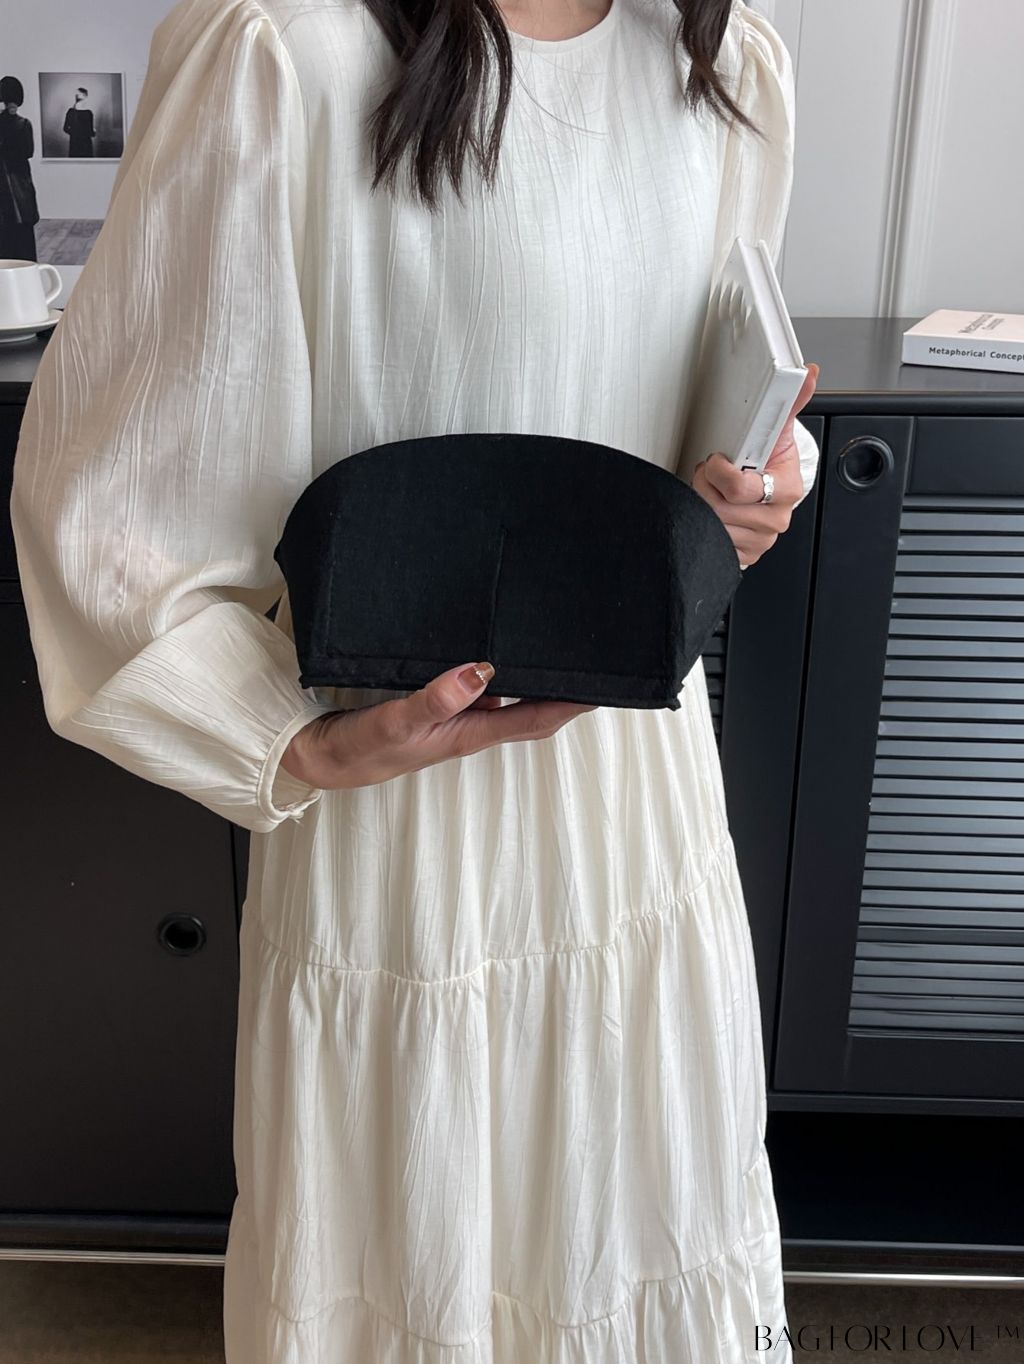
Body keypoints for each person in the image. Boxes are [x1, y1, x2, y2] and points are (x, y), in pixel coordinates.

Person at [10, 0, 820, 1357]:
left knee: (641, 1231)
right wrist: (285, 741)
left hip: (640, 794)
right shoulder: (282, 51)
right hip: (402, 825)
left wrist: (748, 491)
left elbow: (705, 395)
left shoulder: (721, 57)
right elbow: (109, 499)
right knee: (407, 1263)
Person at [0, 76, 41, 261]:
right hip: (19, 181)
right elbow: (28, 152)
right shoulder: (23, 124)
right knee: (23, 234)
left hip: (5, 182)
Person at [63, 87, 96, 157]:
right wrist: (93, 131)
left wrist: (75, 133)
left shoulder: (71, 112)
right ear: (85, 97)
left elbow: (65, 129)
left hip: (75, 143)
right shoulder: (89, 113)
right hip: (85, 145)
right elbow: (91, 133)